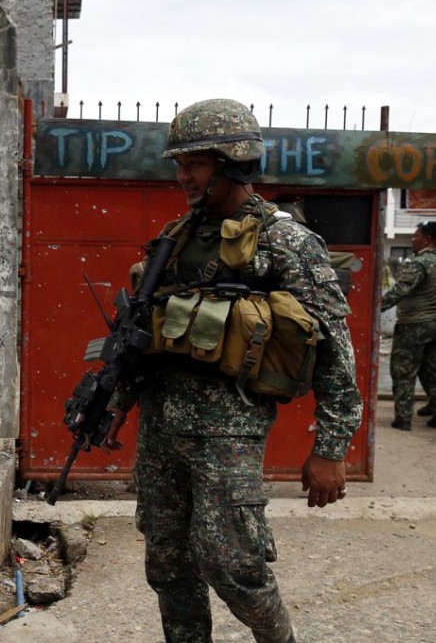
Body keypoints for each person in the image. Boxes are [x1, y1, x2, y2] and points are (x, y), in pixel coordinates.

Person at [101, 98, 363, 643]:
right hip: (162, 425)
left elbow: (334, 346)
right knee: (168, 563)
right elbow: (145, 330)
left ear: (234, 162)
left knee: (232, 563)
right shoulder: (176, 236)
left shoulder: (284, 240)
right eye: (180, 164)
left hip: (229, 426)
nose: (182, 176)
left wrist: (332, 447)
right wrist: (114, 400)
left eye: (194, 163)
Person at [380, 221, 436, 430]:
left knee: (403, 370)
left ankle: (403, 418)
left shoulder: (419, 262)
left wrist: (376, 307)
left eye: (416, 236)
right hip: (433, 324)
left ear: (427, 239)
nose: (412, 240)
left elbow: (400, 290)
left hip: (415, 323)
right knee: (431, 370)